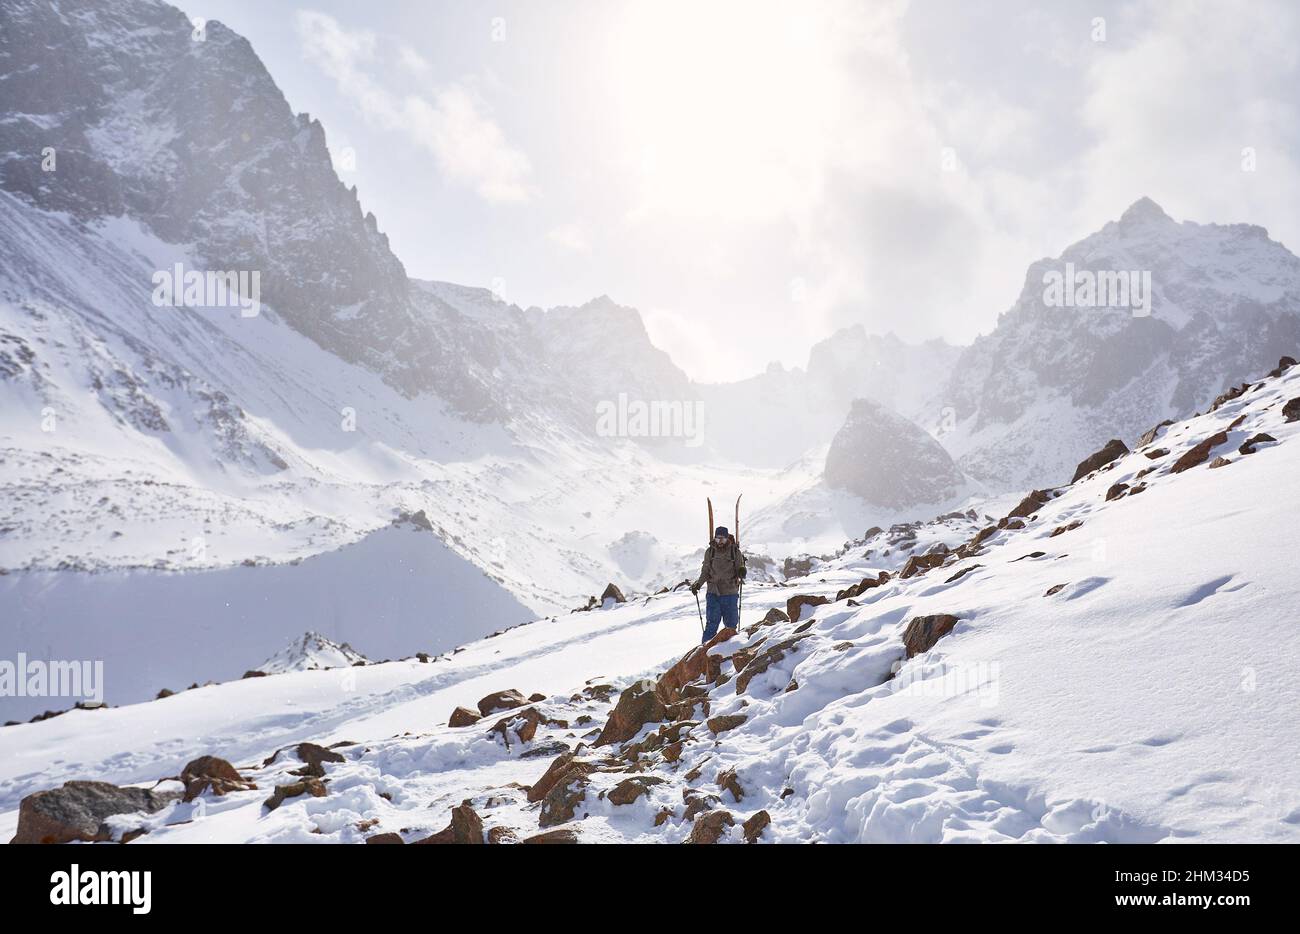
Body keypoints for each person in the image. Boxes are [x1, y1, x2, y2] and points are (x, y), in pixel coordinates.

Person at [691, 526, 746, 642]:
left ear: (727, 539)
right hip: (713, 593)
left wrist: (742, 571)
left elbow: (740, 569)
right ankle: (704, 654)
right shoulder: (710, 552)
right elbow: (705, 571)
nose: (720, 542)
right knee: (711, 626)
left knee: (731, 626)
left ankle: (730, 654)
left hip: (730, 593)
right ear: (714, 538)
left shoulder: (735, 552)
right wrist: (698, 584)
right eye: (717, 539)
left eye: (722, 539)